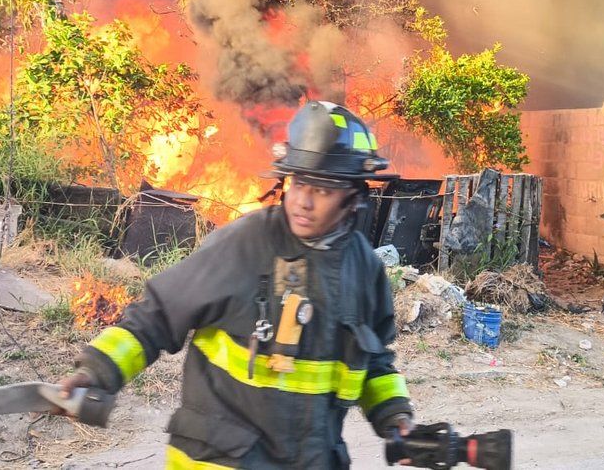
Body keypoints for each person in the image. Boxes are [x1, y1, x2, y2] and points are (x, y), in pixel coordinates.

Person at [56, 101, 414, 469]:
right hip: (222, 460)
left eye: (323, 190)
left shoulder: (365, 270)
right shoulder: (244, 244)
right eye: (299, 183)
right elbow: (157, 315)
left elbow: (374, 361)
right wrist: (97, 372)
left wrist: (396, 419)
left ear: (352, 197)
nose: (304, 201)